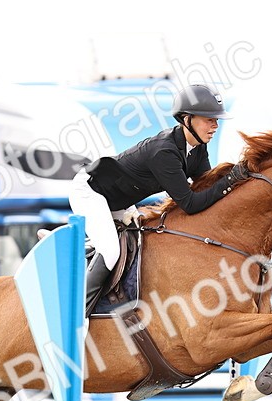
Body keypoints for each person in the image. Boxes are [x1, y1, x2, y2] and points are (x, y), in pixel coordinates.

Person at [68, 83, 248, 315]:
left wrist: (238, 183)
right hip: (91, 191)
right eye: (209, 119)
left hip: (119, 200)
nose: (215, 125)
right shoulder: (165, 152)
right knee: (111, 251)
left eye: (216, 120)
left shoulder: (197, 148)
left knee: (140, 241)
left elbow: (207, 187)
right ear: (187, 119)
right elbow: (191, 204)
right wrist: (230, 179)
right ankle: (76, 314)